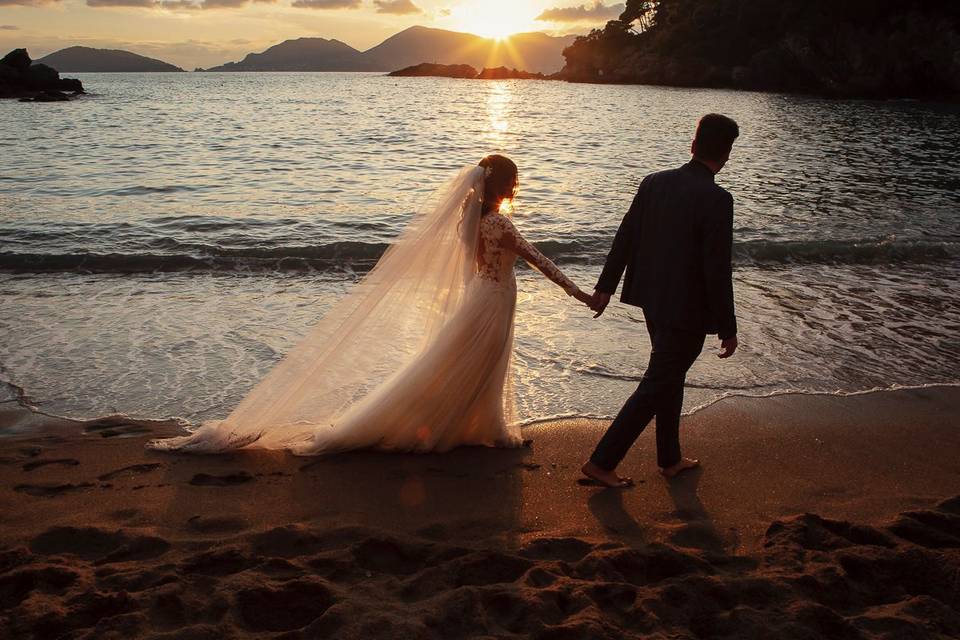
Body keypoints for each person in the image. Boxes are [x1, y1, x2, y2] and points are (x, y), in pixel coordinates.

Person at [146, 154, 595, 454]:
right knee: (481, 363)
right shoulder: (500, 224)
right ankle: (478, 429)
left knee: (465, 363)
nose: (518, 184)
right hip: (495, 300)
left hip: (483, 294)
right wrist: (579, 293)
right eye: (514, 179)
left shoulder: (470, 220)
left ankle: (477, 426)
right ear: (504, 184)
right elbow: (540, 262)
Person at [581, 114, 741, 488]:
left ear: (693, 144)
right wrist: (728, 326)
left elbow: (626, 235)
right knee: (658, 381)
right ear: (727, 153)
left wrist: (605, 285)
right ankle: (602, 462)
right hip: (688, 309)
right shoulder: (718, 199)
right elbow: (716, 268)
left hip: (653, 299)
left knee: (669, 375)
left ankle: (669, 458)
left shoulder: (654, 183)